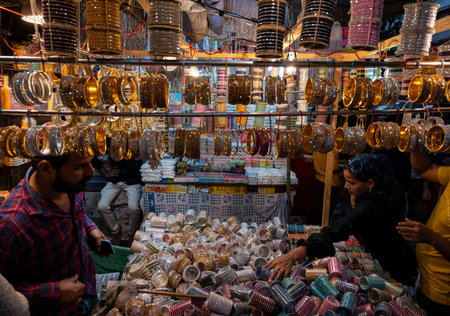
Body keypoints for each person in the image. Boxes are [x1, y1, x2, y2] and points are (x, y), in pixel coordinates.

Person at [266, 153, 417, 285]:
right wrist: (355, 195)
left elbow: (338, 229)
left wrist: (292, 256)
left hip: (391, 265)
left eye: (351, 182)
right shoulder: (389, 186)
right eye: (346, 180)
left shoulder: (370, 207)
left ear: (370, 183)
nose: (345, 186)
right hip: (400, 256)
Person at [0, 152, 108, 315]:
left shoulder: (68, 184)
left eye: (89, 163)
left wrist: (91, 228)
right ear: (45, 169)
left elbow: (78, 213)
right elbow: (4, 295)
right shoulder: (12, 224)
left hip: (87, 290)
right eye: (78, 166)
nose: (91, 172)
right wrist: (52, 292)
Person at [397, 151, 450, 315]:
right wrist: (416, 144)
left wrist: (431, 238)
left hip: (442, 296)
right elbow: (424, 169)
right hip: (424, 280)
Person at [91, 154, 143, 244]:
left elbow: (148, 150)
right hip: (114, 181)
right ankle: (115, 231)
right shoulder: (113, 141)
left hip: (133, 181)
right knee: (101, 206)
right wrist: (106, 173)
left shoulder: (136, 142)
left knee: (134, 208)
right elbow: (93, 157)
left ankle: (131, 234)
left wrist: (154, 158)